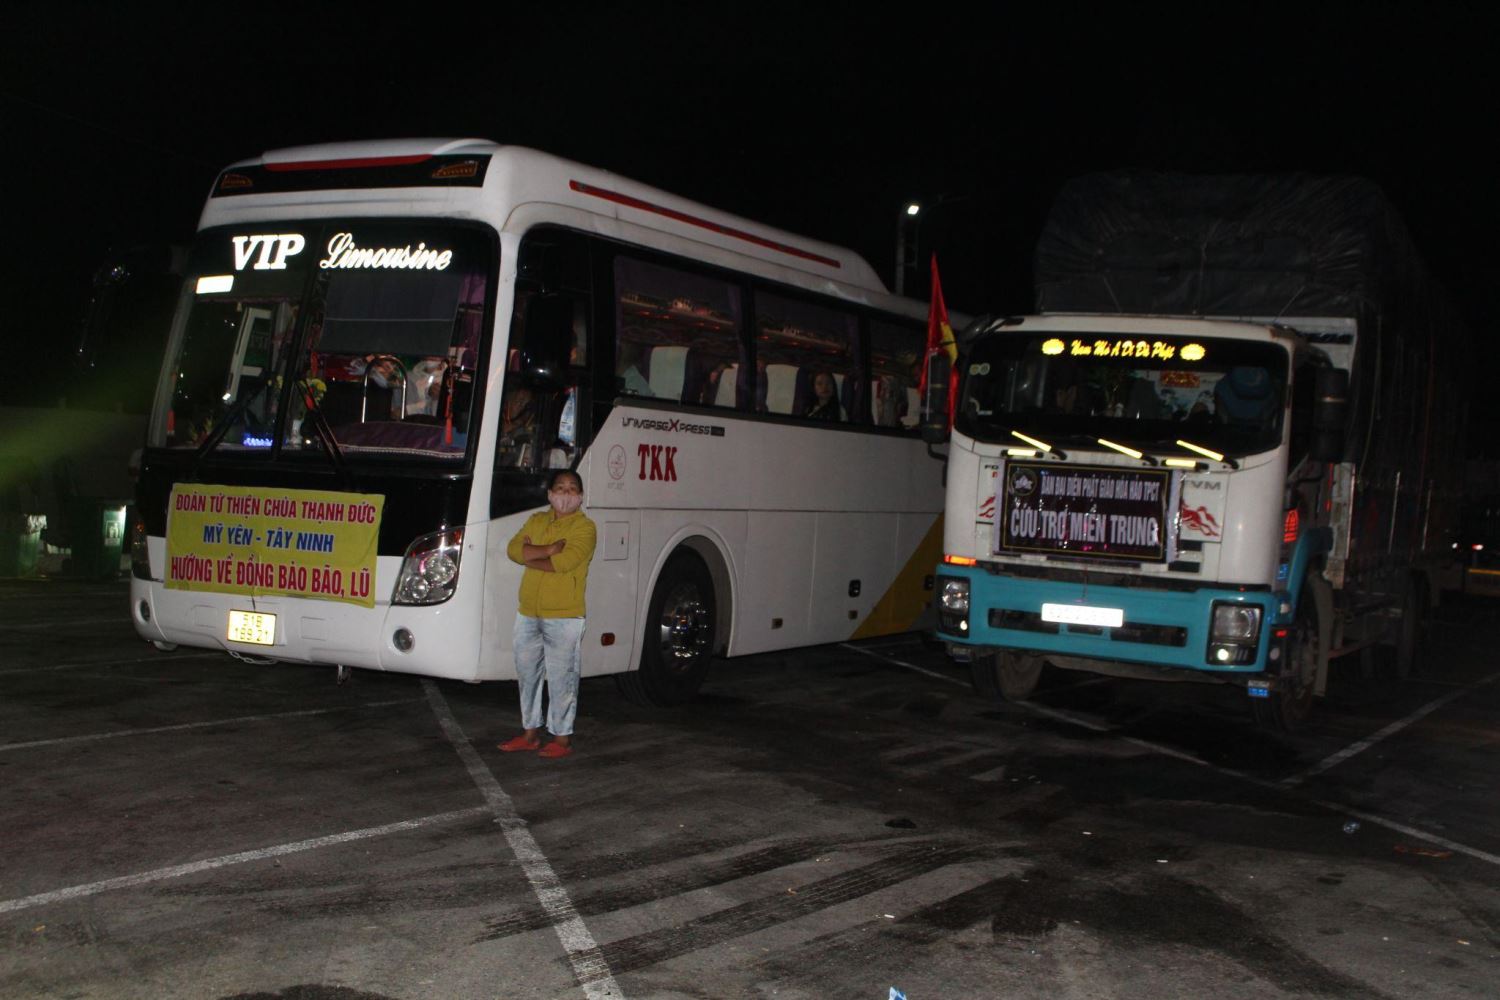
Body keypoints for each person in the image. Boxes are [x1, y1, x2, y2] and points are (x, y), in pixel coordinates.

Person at [498, 469, 597, 758]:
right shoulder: (536, 520)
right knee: (527, 676)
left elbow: (564, 563)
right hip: (528, 611)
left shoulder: (585, 528)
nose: (566, 494)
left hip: (565, 616)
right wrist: (550, 549)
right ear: (550, 494)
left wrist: (532, 554)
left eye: (572, 488)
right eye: (560, 488)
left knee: (562, 679)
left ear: (580, 496)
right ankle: (530, 734)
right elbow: (513, 550)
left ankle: (561, 738)